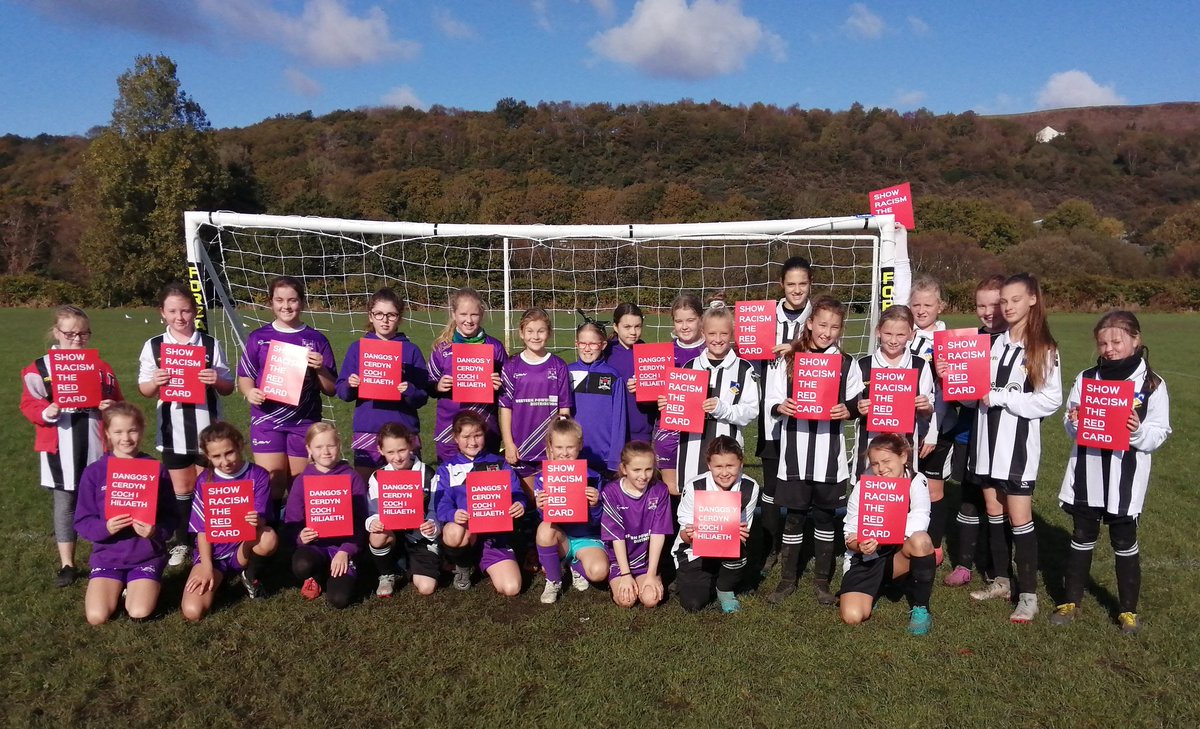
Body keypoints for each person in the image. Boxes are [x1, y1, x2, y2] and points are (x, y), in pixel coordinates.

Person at [1053, 311, 1171, 634]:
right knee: (1081, 536)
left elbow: (1159, 433)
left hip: (1125, 477)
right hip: (1088, 473)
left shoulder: (1152, 385)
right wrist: (1074, 422)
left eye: (1117, 341)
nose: (1109, 348)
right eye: (1103, 343)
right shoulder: (1086, 378)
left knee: (1124, 539)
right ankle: (1070, 601)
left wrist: (1136, 431)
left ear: (1136, 340)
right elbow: (1070, 425)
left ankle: (1128, 611)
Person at [968, 273, 1062, 624]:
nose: (1007, 307)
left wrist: (1000, 397)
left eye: (1015, 300)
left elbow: (1050, 400)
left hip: (1016, 446)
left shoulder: (1043, 348)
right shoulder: (993, 344)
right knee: (993, 509)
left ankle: (1028, 596)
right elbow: (973, 393)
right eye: (1003, 301)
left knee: (1019, 517)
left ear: (1033, 300)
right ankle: (1001, 582)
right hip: (985, 442)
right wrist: (953, 376)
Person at [764, 296, 864, 606]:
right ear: (810, 323)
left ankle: (822, 582)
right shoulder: (790, 359)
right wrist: (782, 406)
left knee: (824, 517)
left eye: (834, 327)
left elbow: (856, 403)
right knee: (794, 517)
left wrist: (846, 411)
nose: (827, 332)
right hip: (793, 454)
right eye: (822, 324)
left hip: (829, 458)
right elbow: (773, 399)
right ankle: (787, 579)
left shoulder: (847, 364)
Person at [21, 305, 121, 587]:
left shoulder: (100, 367)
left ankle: (106, 554)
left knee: (102, 499)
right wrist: (45, 411)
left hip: (94, 439)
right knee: (65, 503)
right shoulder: (39, 368)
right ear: (57, 332)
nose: (77, 339)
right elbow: (28, 403)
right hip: (58, 443)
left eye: (84, 334)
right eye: (71, 334)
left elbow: (120, 402)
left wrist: (111, 406)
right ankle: (67, 564)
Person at [138, 281, 235, 569]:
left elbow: (228, 386)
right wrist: (154, 383)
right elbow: (144, 388)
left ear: (194, 312)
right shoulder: (154, 345)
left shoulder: (208, 344)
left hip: (208, 432)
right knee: (182, 488)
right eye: (173, 311)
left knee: (208, 486)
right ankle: (183, 541)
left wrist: (214, 380)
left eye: (185, 311)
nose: (180, 317)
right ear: (162, 313)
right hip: (173, 431)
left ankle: (213, 539)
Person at [236, 276, 337, 501]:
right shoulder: (258, 338)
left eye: (292, 300)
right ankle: (272, 531)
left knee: (299, 485)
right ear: (271, 302)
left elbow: (331, 389)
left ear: (301, 302)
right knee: (272, 482)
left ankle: (296, 533)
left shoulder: (316, 339)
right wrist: (250, 392)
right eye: (279, 300)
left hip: (304, 422)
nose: (286, 306)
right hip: (267, 420)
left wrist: (321, 369)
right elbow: (244, 376)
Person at [73, 402, 174, 624]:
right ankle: (117, 586)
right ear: (107, 433)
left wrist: (156, 531)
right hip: (108, 556)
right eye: (118, 432)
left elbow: (171, 515)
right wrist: (105, 528)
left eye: (132, 430)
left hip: (146, 555)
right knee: (96, 617)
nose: (126, 438)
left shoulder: (156, 469)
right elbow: (81, 520)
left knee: (139, 612)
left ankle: (142, 585)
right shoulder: (94, 472)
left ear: (142, 430)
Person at [943, 274, 1007, 587]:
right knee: (969, 498)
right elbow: (960, 397)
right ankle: (964, 564)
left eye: (994, 304)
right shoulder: (966, 341)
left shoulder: (1017, 342)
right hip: (970, 432)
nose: (988, 311)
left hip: (1005, 436)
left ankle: (997, 565)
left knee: (1001, 501)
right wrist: (946, 376)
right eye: (981, 305)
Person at [840, 433, 936, 636]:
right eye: (875, 463)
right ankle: (878, 587)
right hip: (867, 558)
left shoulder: (917, 480)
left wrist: (885, 537)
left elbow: (921, 518)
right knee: (852, 617)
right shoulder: (863, 485)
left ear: (903, 456)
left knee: (922, 541)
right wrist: (860, 544)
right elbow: (849, 532)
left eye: (886, 461)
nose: (881, 469)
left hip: (897, 553)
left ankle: (921, 607)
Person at [181, 422, 278, 621]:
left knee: (268, 537)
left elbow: (263, 517)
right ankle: (219, 575)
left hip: (244, 546)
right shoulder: (204, 481)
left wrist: (257, 519)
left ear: (240, 446)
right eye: (216, 456)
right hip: (214, 553)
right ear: (207, 456)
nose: (225, 461)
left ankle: (251, 574)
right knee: (193, 611)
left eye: (229, 452)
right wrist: (207, 566)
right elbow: (202, 530)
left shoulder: (257, 474)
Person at [755, 256, 814, 573]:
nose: (796, 290)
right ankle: (770, 548)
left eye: (802, 284)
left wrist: (795, 347)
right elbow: (747, 350)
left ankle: (797, 550)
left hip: (809, 416)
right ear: (782, 285)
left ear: (810, 285)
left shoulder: (819, 318)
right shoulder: (765, 317)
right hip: (772, 417)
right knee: (772, 488)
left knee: (801, 485)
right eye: (790, 284)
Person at [336, 288, 429, 480]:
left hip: (403, 429)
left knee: (405, 490)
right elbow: (342, 392)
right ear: (371, 316)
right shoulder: (358, 348)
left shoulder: (411, 351)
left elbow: (422, 396)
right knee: (365, 488)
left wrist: (409, 389)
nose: (385, 320)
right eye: (379, 314)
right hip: (368, 427)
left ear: (399, 317)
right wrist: (350, 385)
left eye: (391, 315)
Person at [665, 300, 759, 488]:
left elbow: (751, 411)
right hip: (691, 448)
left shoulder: (743, 369)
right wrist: (669, 405)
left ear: (731, 334)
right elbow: (679, 408)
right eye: (712, 333)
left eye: (723, 333)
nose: (718, 339)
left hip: (727, 452)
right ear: (703, 334)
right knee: (692, 497)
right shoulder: (690, 366)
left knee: (723, 506)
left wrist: (721, 408)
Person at [433, 411, 528, 596]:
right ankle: (463, 565)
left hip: (495, 537)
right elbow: (441, 505)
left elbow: (517, 493)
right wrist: (453, 515)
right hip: (466, 532)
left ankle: (485, 559)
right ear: (455, 438)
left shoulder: (499, 463)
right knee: (453, 531)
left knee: (511, 588)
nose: (472, 442)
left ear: (485, 434)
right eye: (466, 436)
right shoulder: (447, 468)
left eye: (478, 435)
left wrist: (519, 504)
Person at [283, 423, 369, 609]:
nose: (326, 452)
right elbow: (290, 522)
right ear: (309, 449)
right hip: (315, 547)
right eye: (319, 447)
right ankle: (317, 574)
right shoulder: (302, 480)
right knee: (302, 566)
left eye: (330, 445)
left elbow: (362, 521)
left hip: (344, 548)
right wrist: (300, 536)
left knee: (339, 599)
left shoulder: (352, 478)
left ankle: (341, 571)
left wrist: (346, 550)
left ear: (339, 445)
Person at [673, 436, 760, 613]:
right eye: (718, 466)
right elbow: (683, 533)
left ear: (741, 463)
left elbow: (743, 530)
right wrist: (690, 534)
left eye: (730, 466)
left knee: (738, 543)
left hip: (727, 547)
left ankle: (725, 588)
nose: (724, 472)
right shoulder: (694, 486)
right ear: (709, 465)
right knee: (693, 603)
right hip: (693, 549)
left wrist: (737, 533)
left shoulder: (750, 487)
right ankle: (700, 577)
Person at [852, 304, 935, 478]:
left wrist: (925, 406)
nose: (893, 340)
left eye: (901, 334)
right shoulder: (863, 365)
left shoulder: (920, 366)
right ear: (878, 331)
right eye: (888, 333)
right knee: (867, 497)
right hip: (869, 444)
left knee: (902, 498)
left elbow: (928, 413)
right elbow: (852, 407)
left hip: (904, 446)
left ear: (912, 334)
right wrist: (859, 407)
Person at [427, 288, 508, 463]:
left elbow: (509, 388)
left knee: (485, 485)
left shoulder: (495, 347)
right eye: (463, 314)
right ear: (454, 314)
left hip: (486, 430)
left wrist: (499, 385)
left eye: (474, 315)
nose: (469, 320)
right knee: (452, 484)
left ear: (482, 315)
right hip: (449, 429)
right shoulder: (442, 348)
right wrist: (437, 386)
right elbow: (428, 384)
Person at [533, 417, 608, 604]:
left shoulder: (593, 477)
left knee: (599, 573)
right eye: (559, 447)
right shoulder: (543, 478)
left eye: (570, 447)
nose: (564, 453)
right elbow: (546, 518)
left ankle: (576, 565)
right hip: (562, 539)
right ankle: (554, 580)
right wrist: (541, 507)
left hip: (587, 539)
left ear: (580, 445)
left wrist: (596, 505)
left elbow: (600, 522)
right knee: (544, 529)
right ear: (550, 446)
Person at [499, 307, 573, 494]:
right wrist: (508, 443)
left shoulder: (558, 365)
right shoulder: (511, 366)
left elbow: (564, 411)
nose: (535, 336)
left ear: (548, 333)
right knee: (529, 501)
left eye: (541, 331)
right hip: (521, 446)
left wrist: (559, 446)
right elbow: (506, 408)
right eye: (530, 331)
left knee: (549, 501)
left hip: (550, 449)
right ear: (521, 333)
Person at [364, 423, 441, 598]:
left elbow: (434, 510)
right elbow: (372, 512)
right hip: (393, 537)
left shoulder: (428, 474)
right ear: (381, 450)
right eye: (390, 452)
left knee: (427, 588)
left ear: (411, 444)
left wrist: (432, 525)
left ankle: (415, 564)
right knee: (377, 535)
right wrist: (373, 522)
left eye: (402, 450)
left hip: (420, 539)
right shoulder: (377, 477)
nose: (397, 457)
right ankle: (386, 573)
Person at [906, 276, 951, 560]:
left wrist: (932, 432)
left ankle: (933, 546)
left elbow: (944, 394)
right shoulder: (904, 334)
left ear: (940, 306)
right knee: (905, 485)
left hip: (935, 428)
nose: (921, 310)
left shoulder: (947, 341)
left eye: (927, 304)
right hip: (904, 428)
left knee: (934, 492)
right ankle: (904, 537)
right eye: (916, 304)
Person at [601, 441, 673, 609]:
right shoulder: (611, 492)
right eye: (636, 470)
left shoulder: (660, 490)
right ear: (624, 469)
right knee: (626, 601)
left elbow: (658, 533)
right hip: (619, 562)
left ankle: (646, 577)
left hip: (646, 562)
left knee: (651, 600)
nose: (643, 476)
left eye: (648, 469)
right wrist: (625, 574)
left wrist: (651, 574)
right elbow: (616, 536)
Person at [653, 293, 706, 494]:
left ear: (701, 319)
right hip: (669, 425)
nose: (684, 326)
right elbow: (652, 385)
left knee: (698, 483)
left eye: (690, 320)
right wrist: (639, 386)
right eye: (679, 321)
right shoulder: (664, 352)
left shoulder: (712, 349)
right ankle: (673, 526)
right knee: (672, 487)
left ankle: (694, 525)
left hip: (701, 427)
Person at [567, 319, 626, 480]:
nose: (587, 349)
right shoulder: (566, 372)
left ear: (603, 345)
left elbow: (619, 420)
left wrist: (615, 459)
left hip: (604, 458)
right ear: (576, 344)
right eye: (583, 343)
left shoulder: (613, 376)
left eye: (593, 344)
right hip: (572, 454)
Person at [604, 302, 657, 444]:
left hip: (641, 433)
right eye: (627, 327)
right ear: (615, 327)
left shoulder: (650, 354)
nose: (633, 332)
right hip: (611, 432)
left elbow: (658, 397)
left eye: (637, 326)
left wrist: (645, 391)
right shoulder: (605, 353)